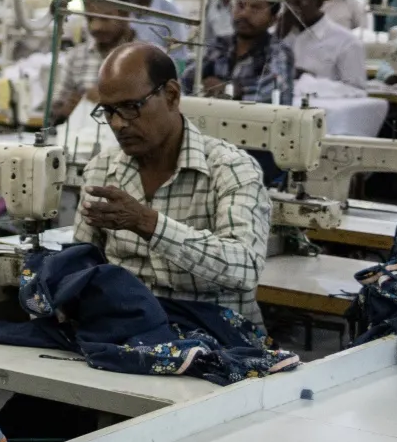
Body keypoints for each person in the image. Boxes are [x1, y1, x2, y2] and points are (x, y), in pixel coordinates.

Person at [76, 44, 270, 325]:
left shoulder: (231, 169)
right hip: (131, 329)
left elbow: (244, 268)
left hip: (219, 334)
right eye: (108, 111)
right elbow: (82, 263)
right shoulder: (101, 171)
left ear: (171, 95)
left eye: (131, 107)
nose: (117, 124)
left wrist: (148, 223)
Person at [190, 0, 294, 105]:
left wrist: (228, 89)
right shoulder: (220, 44)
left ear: (273, 19)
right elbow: (189, 77)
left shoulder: (279, 51)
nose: (244, 14)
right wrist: (202, 83)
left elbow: (267, 91)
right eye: (240, 5)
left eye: (255, 8)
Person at [51, 0, 136, 122]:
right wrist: (67, 110)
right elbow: (54, 111)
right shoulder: (75, 57)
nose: (95, 27)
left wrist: (111, 101)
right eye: (90, 19)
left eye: (105, 18)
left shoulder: (149, 57)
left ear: (125, 14)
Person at [281, 0, 366, 87]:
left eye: (300, 2)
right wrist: (278, 36)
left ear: (319, 1)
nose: (293, 8)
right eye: (288, 3)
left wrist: (309, 80)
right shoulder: (282, 36)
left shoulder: (347, 42)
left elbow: (356, 91)